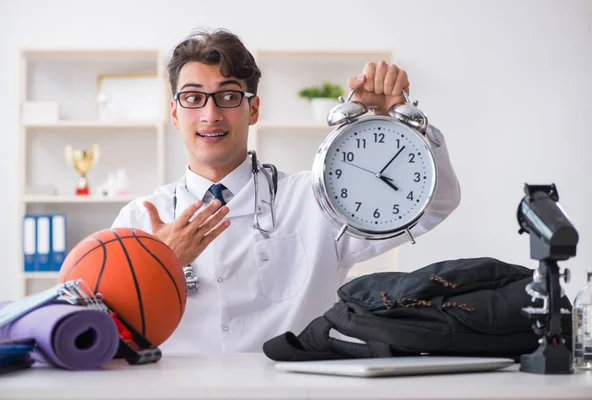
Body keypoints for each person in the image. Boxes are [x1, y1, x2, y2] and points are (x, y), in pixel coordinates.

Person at [111, 28, 461, 354]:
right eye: (193, 98)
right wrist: (159, 261)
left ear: (254, 110)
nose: (210, 114)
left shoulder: (318, 199)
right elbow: (102, 320)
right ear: (174, 113)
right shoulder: (139, 218)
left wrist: (396, 119)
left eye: (229, 96)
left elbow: (437, 202)